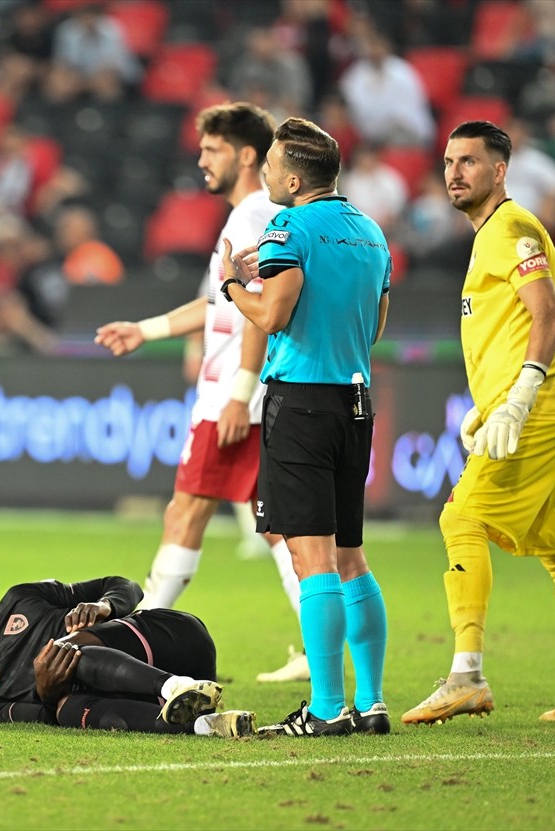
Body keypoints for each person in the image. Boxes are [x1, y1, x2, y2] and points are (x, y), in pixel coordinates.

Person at [402, 121, 555, 726]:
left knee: (459, 517)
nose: (454, 172)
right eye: (448, 161)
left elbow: (547, 318)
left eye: (469, 161)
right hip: (536, 406)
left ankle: (466, 676)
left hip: (542, 405)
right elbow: (514, 332)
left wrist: (521, 395)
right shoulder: (490, 236)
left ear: (500, 171)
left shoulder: (514, 230)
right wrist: (489, 403)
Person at [94, 103, 307, 685]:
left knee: (185, 509)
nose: (201, 159)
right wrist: (147, 330)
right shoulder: (252, 212)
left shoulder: (254, 213)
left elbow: (260, 312)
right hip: (250, 393)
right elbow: (220, 303)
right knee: (278, 528)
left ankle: (143, 638)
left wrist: (239, 391)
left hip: (232, 398)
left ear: (243, 155)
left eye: (211, 149)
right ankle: (317, 642)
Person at [223, 116, 391, 737]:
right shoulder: (372, 233)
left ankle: (324, 709)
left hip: (302, 404)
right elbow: (374, 327)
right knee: (351, 556)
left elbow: (271, 313)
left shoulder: (287, 227)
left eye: (269, 165)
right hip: (355, 402)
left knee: (311, 558)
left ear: (293, 178)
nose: (264, 173)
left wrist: (232, 284)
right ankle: (370, 702)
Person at [0, 575, 255, 738]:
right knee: (65, 705)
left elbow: (126, 586)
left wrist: (105, 606)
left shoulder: (17, 601)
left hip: (174, 637)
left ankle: (180, 687)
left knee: (67, 650)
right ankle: (206, 725)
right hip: (139, 701)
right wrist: (47, 692)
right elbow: (44, 716)